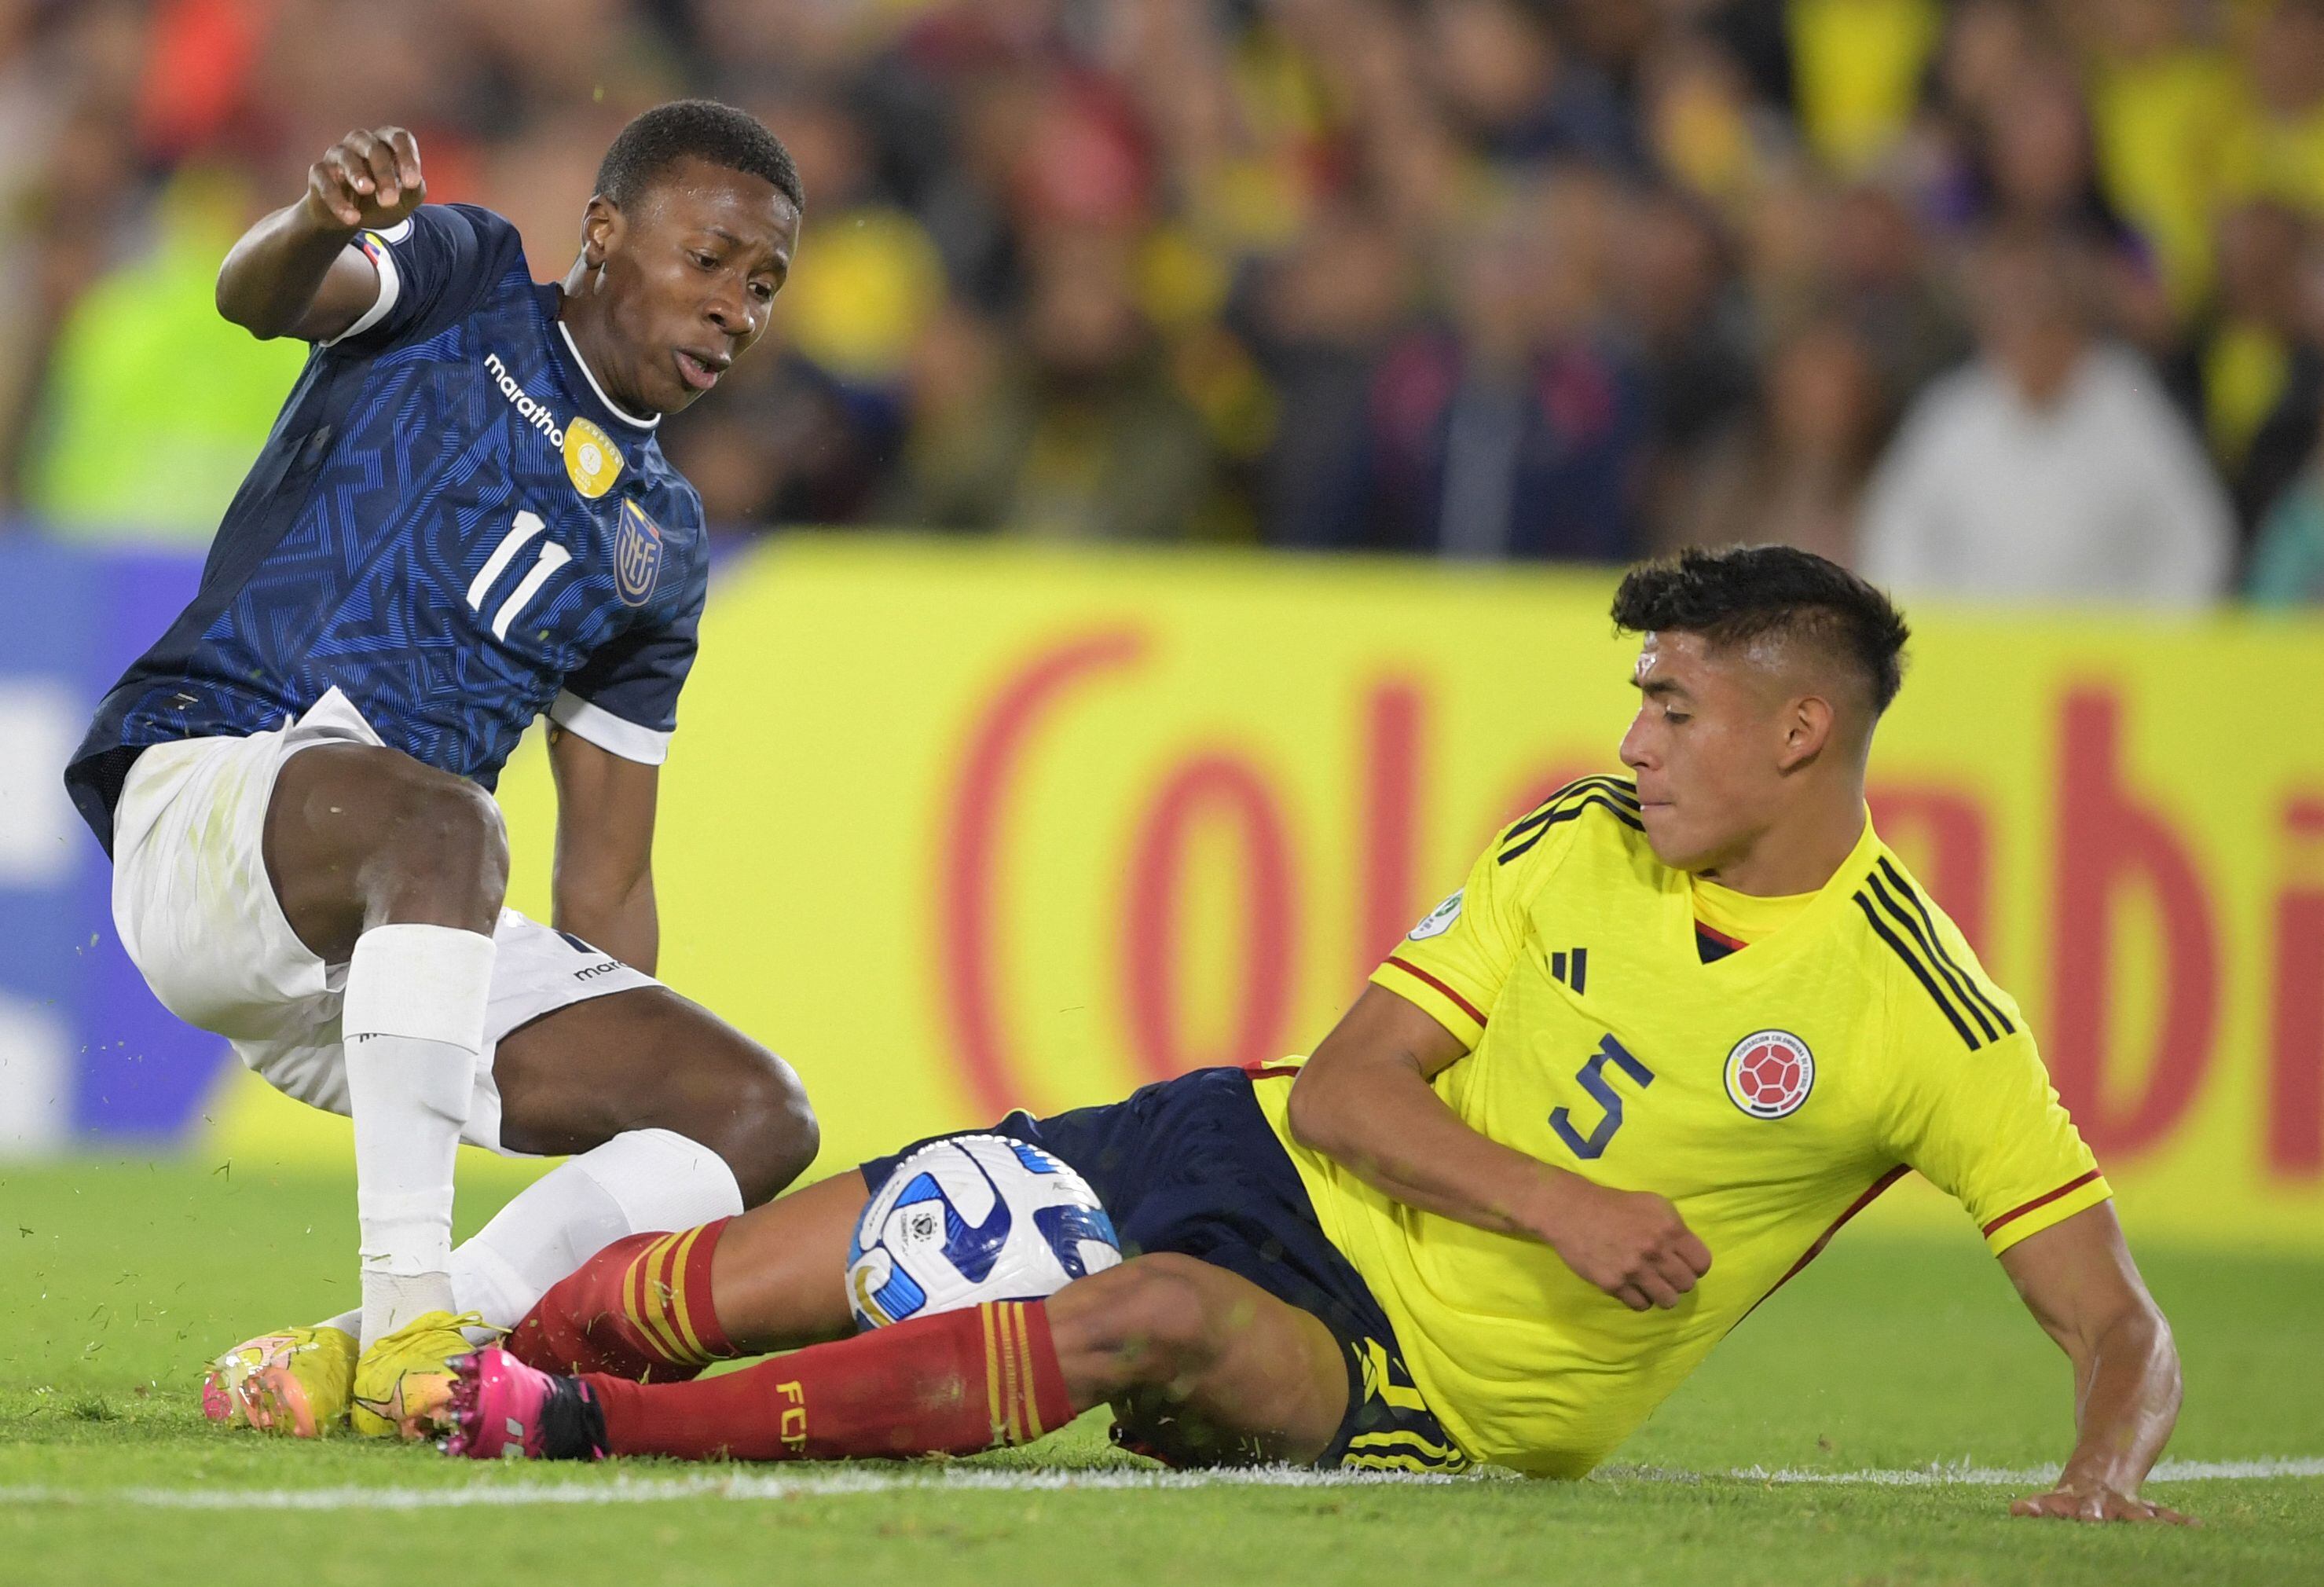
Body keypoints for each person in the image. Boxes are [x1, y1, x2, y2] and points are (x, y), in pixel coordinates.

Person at [447, 546, 2192, 1525]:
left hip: (1414, 1367)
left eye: (1675, 705)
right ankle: (443, 1358)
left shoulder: (1922, 1011)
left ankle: (600, 1433)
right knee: (757, 1268)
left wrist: (2104, 1474)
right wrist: (1567, 1206)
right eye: (1639, 702)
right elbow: (1354, 1090)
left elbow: (2118, 1322)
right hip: (1252, 1141)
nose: (1637, 738)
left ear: (1804, 730)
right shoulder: (1574, 834)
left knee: (1143, 1315)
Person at [59, 102, 820, 1440]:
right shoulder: (467, 284)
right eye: (707, 261)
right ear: (602, 234)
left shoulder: (662, 540)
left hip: (406, 934)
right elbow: (261, 298)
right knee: (448, 817)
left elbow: (609, 865)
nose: (735, 310)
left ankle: (372, 1344)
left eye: (762, 285)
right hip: (215, 803)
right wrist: (313, 221)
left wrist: (629, 1117)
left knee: (751, 1115)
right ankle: (410, 1308)